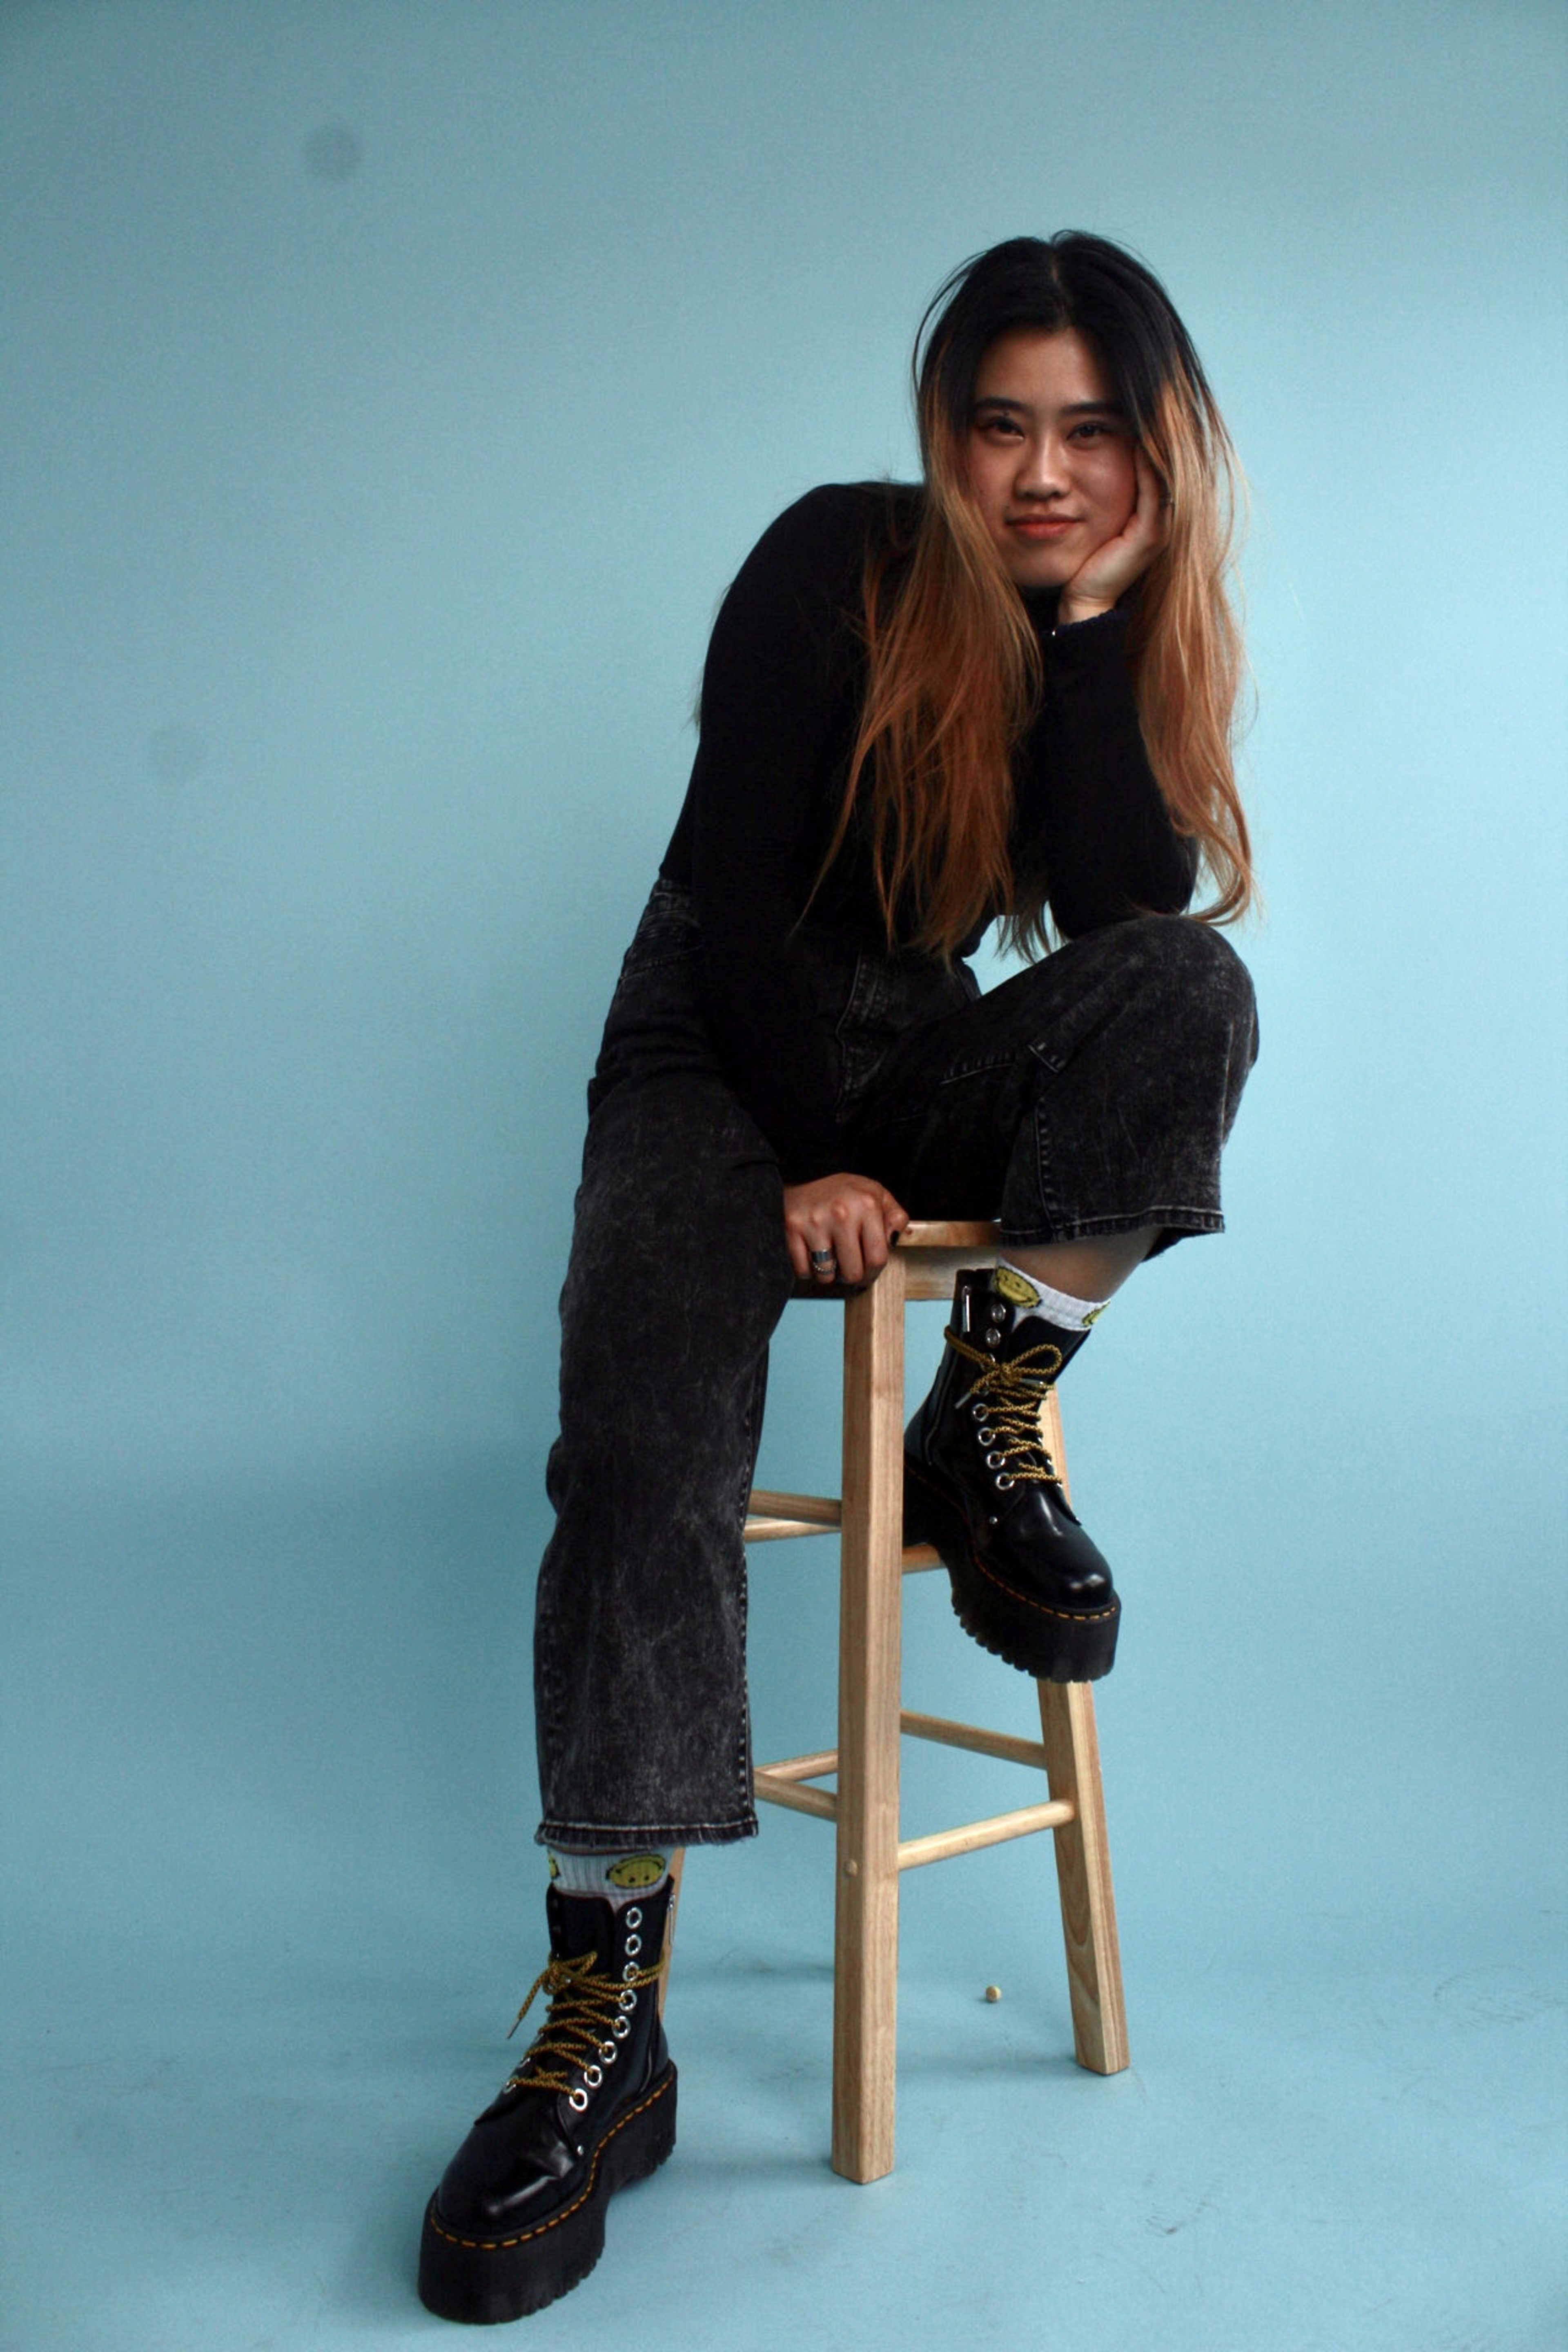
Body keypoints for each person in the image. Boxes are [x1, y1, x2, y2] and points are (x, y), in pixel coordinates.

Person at [417, 231, 1258, 2323]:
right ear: (940, 433)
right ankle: (602, 2020)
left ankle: (982, 1421)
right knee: (636, 1450)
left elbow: (1114, 915)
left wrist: (1086, 635)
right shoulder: (837, 560)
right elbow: (724, 894)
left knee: (1191, 995)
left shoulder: (1098, 618)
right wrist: (820, 1154)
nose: (1040, 472)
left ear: (1153, 457)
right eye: (1003, 425)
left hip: (915, 1047)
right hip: (722, 1045)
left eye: (1090, 434)